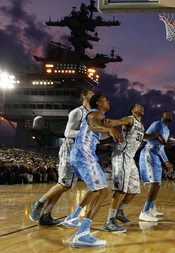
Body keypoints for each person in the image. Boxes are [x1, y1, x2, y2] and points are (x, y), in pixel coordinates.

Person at [66, 93, 124, 248]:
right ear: (98, 103)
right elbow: (93, 126)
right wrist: (110, 128)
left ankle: (73, 216)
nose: (108, 100)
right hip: (84, 154)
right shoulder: (94, 113)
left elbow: (96, 131)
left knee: (94, 189)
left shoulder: (98, 116)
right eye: (105, 99)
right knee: (102, 192)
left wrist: (110, 130)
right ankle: (82, 234)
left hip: (80, 154)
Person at [29, 89, 93, 226]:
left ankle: (46, 216)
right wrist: (86, 135)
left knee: (66, 185)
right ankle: (39, 203)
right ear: (84, 96)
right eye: (92, 94)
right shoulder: (78, 112)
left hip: (81, 151)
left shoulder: (91, 114)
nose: (95, 96)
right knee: (65, 183)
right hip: (70, 148)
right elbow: (68, 132)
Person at [101, 104, 160, 232]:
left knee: (134, 189)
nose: (142, 107)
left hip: (130, 158)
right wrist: (109, 122)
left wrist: (155, 137)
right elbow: (119, 121)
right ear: (133, 110)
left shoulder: (141, 125)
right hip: (122, 154)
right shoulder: (130, 119)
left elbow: (142, 136)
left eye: (142, 106)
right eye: (139, 107)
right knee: (121, 188)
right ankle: (109, 221)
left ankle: (119, 211)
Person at [139, 110, 174, 222]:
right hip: (149, 152)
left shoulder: (167, 130)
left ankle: (151, 208)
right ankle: (144, 212)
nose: (169, 114)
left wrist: (166, 161)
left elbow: (161, 147)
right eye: (166, 113)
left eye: (170, 114)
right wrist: (157, 136)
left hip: (156, 154)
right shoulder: (157, 124)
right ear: (161, 116)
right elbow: (143, 137)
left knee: (157, 184)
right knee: (154, 183)